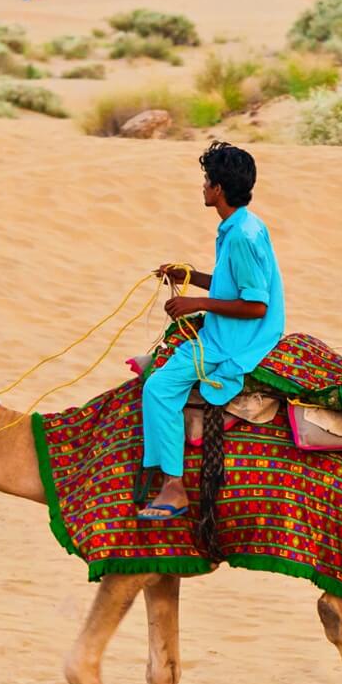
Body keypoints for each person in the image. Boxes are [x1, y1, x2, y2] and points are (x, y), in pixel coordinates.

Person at [139, 142, 285, 521]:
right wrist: (187, 276)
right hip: (229, 328)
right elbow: (230, 285)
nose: (203, 187)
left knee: (158, 388)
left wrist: (196, 304)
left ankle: (173, 487)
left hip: (235, 340)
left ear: (218, 189)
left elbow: (256, 305)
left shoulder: (242, 236)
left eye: (207, 181)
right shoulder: (240, 225)